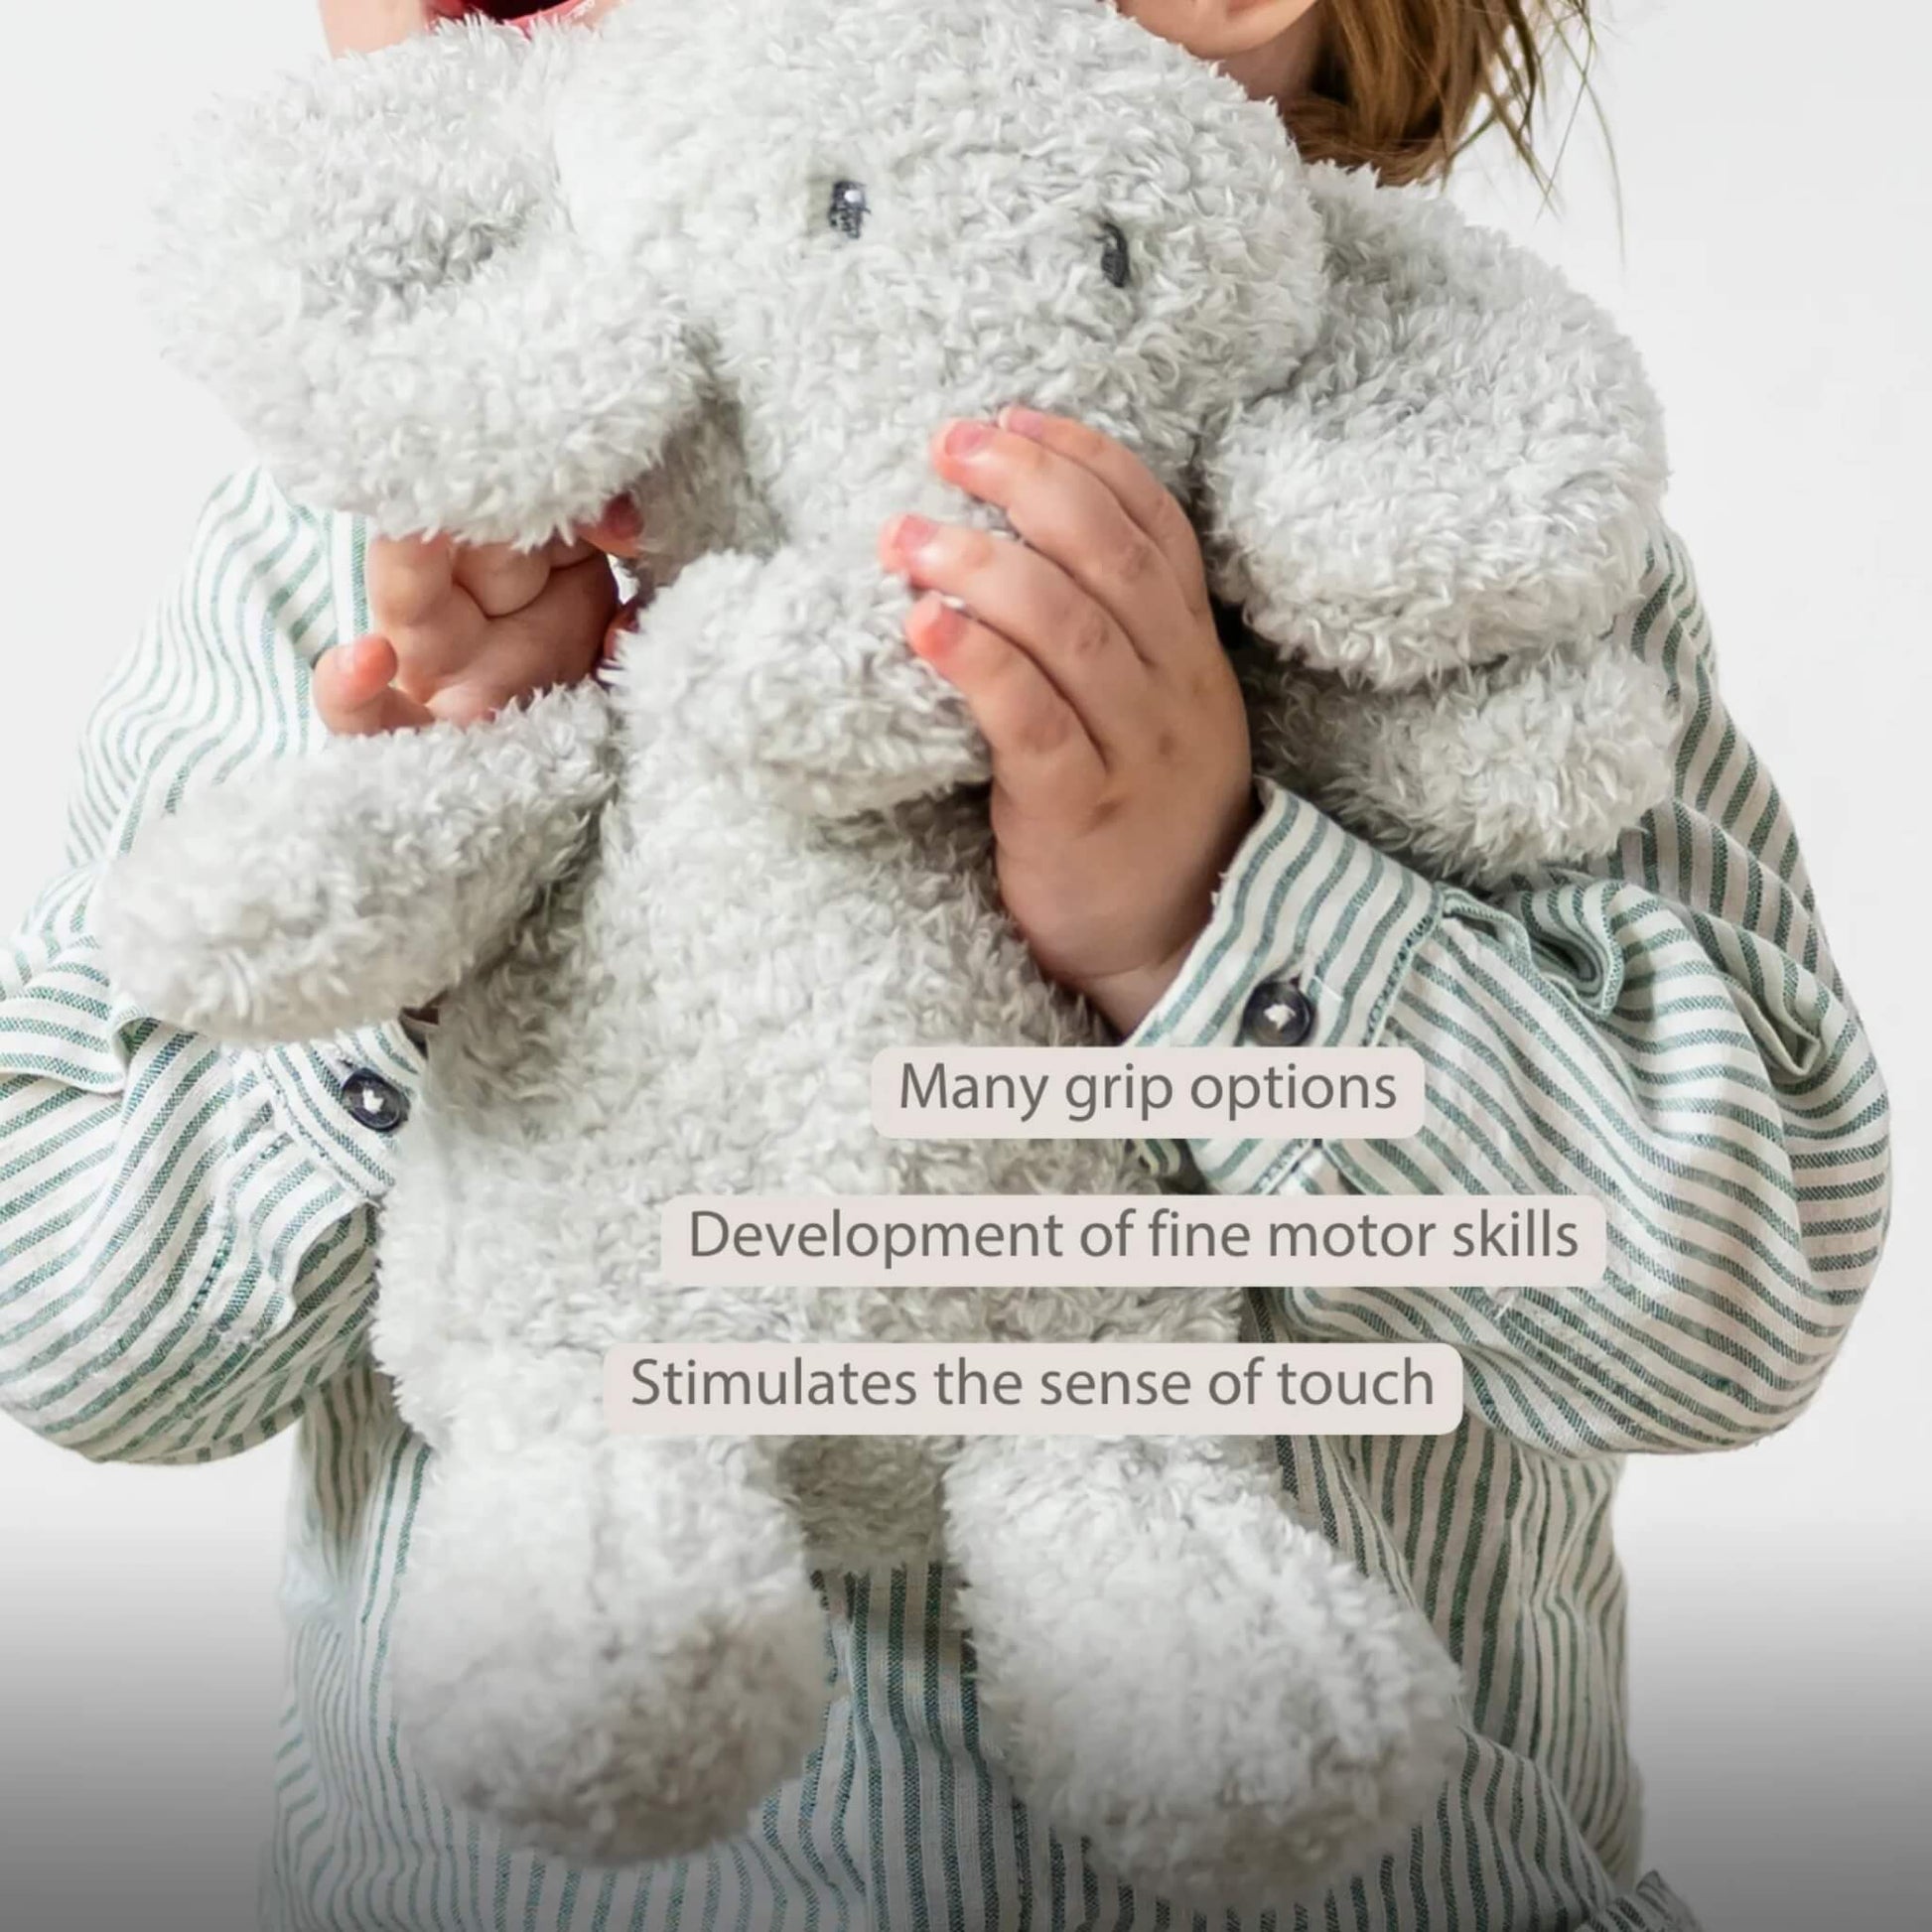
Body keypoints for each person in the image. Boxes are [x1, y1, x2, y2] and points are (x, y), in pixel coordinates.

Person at [0, 2, 1889, 1927]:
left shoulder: (1462, 531)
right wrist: (422, 905)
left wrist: (1214, 917)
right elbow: (83, 1332)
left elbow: (1723, 1308)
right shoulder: (379, 538)